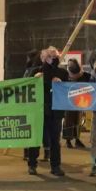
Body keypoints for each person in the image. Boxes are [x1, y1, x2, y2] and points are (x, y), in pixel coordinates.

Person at [26, 46, 68, 176]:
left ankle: (56, 166)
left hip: (56, 111)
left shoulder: (62, 73)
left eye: (55, 56)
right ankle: (32, 164)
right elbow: (26, 86)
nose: (53, 59)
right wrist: (34, 79)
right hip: (40, 110)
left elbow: (70, 89)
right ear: (43, 58)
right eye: (50, 56)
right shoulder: (35, 72)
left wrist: (61, 84)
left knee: (55, 140)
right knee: (36, 138)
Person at [62, 59, 91, 149]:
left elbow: (91, 81)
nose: (70, 66)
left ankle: (77, 139)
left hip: (79, 101)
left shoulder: (84, 75)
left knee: (78, 121)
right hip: (68, 102)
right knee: (68, 121)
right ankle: (68, 140)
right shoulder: (66, 75)